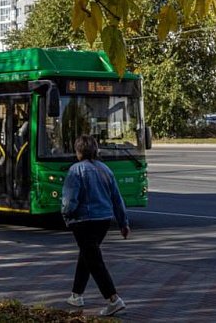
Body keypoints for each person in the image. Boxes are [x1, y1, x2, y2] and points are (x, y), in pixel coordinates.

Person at [60, 135, 130, 316]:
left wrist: (66, 215)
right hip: (104, 220)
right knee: (87, 255)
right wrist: (123, 223)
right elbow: (117, 199)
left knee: (94, 260)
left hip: (83, 221)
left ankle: (113, 299)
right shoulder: (106, 169)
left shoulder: (75, 170)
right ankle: (76, 294)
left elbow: (70, 201)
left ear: (78, 151)